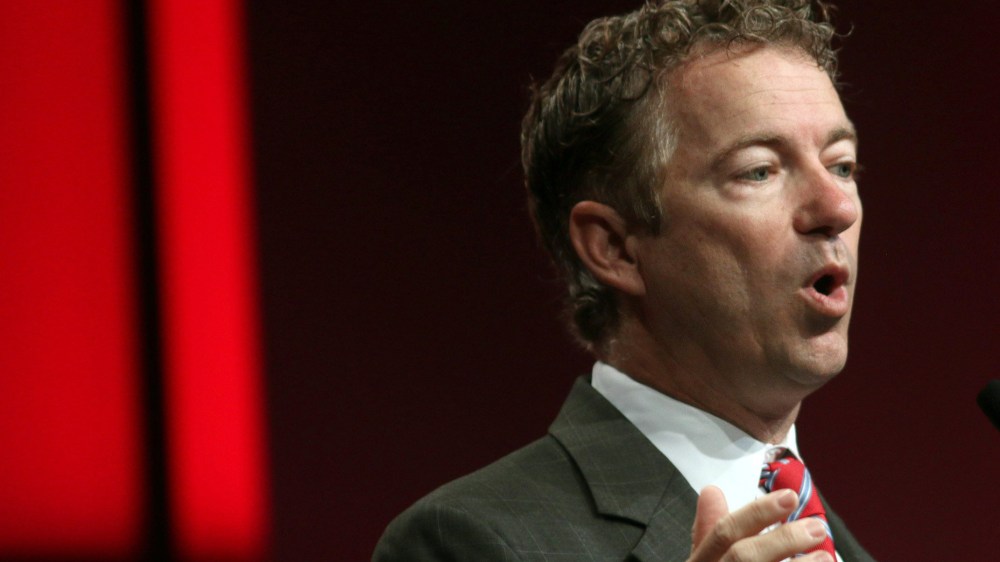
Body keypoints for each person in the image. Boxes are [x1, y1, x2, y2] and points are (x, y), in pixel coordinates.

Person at [374, 1, 875, 560]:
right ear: (614, 247)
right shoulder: (468, 541)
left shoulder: (843, 547)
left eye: (842, 165)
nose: (836, 206)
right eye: (759, 170)